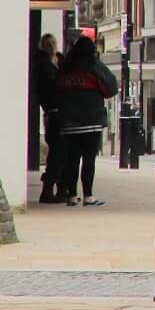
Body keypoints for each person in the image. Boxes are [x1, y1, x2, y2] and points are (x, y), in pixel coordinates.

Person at [53, 36, 118, 206]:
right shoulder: (94, 67)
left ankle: (72, 195)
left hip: (69, 122)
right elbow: (110, 88)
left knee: (71, 159)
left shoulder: (66, 69)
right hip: (91, 120)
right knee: (89, 160)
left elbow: (56, 91)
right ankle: (88, 195)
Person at [32, 34, 65, 204]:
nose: (52, 46)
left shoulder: (57, 61)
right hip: (53, 112)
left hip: (57, 112)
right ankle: (49, 189)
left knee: (59, 152)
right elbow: (51, 87)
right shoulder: (44, 65)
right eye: (49, 44)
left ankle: (58, 187)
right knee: (56, 152)